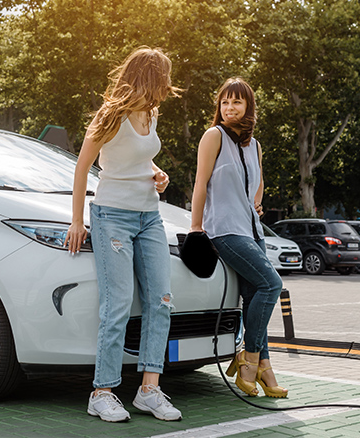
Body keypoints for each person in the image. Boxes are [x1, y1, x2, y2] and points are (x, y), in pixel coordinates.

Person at [64, 47, 183, 423]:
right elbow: (84, 167)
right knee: (117, 304)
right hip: (111, 215)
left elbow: (137, 158)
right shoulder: (110, 114)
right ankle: (101, 392)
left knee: (161, 301)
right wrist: (78, 220)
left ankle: (149, 389)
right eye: (163, 77)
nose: (167, 86)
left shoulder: (151, 112)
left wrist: (157, 172)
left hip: (149, 216)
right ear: (150, 77)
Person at [190, 77, 288, 398]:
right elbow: (201, 182)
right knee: (271, 284)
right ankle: (251, 360)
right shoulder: (213, 136)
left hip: (252, 230)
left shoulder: (254, 145)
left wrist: (256, 202)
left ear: (249, 106)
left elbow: (257, 183)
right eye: (225, 103)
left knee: (256, 301)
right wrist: (196, 227)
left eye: (237, 102)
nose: (230, 109)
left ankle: (262, 367)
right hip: (224, 229)